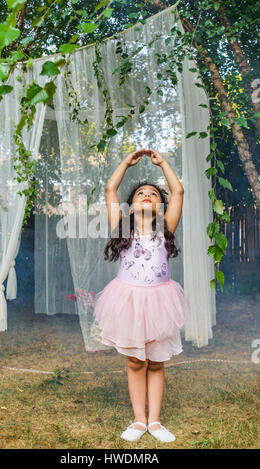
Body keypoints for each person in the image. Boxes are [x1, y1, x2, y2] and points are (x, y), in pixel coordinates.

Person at [92, 148, 191, 443]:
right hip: (129, 302)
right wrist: (125, 162)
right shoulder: (121, 229)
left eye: (153, 194)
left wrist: (163, 164)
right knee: (136, 361)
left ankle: (155, 422)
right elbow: (110, 188)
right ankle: (138, 421)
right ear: (131, 208)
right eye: (140, 194)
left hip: (160, 302)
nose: (147, 195)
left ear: (161, 207)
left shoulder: (166, 229)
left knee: (157, 360)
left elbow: (178, 190)